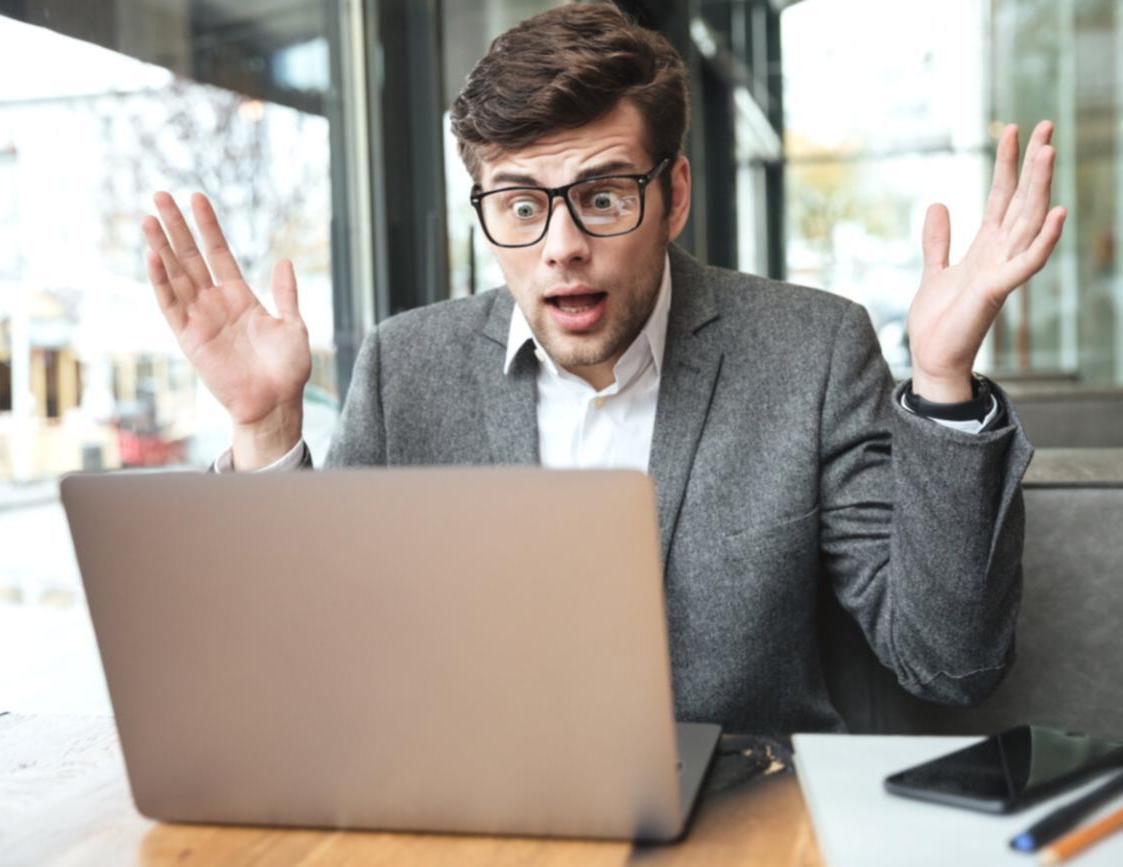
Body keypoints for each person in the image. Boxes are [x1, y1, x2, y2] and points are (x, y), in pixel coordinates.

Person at [140, 4, 1065, 733]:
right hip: (469, 823)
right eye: (519, 204)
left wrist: (942, 382)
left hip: (737, 822)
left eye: (604, 195)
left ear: (674, 196)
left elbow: (950, 663)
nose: (563, 247)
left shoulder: (811, 351)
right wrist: (264, 428)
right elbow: (310, 665)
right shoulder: (403, 367)